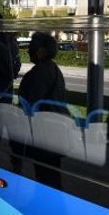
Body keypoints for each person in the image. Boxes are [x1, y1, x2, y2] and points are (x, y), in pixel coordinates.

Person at [18, 32, 66, 189]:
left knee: (46, 176)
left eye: (32, 47)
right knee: (50, 175)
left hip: (44, 134)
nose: (28, 50)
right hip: (54, 133)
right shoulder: (54, 70)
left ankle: (53, 209)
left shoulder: (38, 73)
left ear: (41, 51)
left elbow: (30, 105)